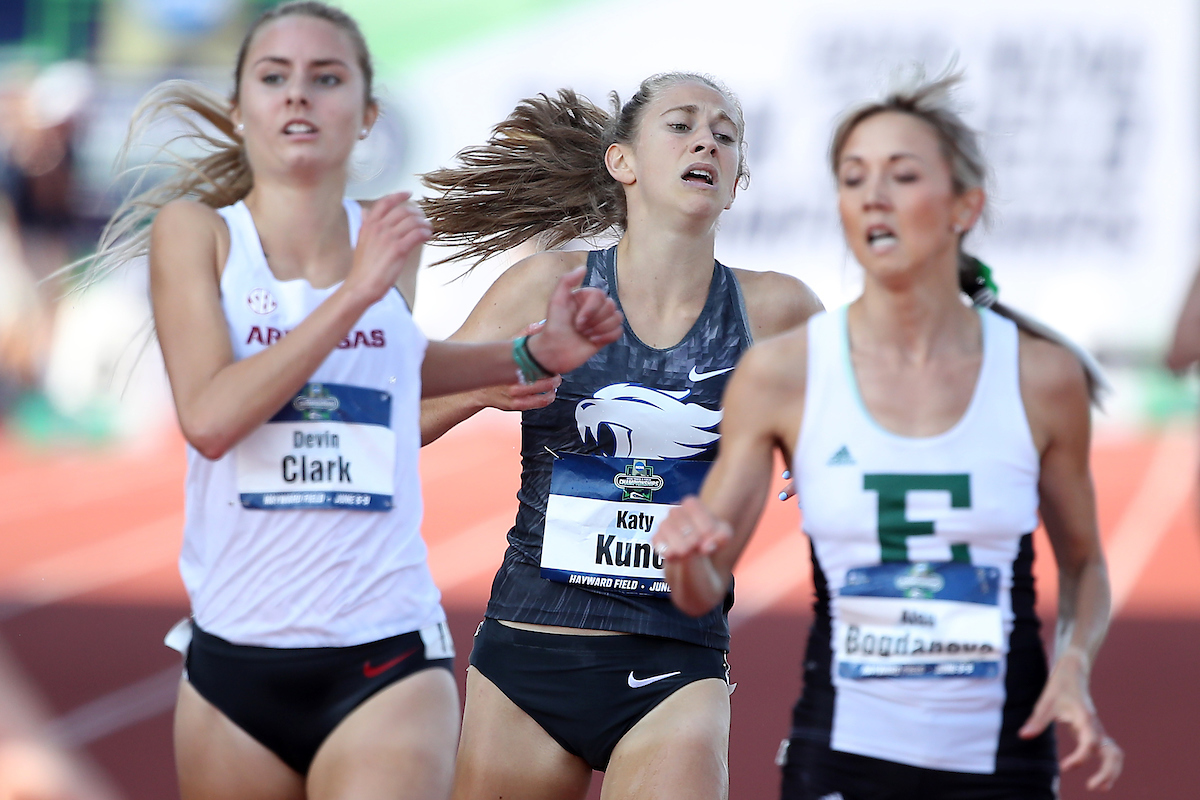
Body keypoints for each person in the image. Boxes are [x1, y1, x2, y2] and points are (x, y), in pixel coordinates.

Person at [81, 3, 622, 799]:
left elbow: (383, 374)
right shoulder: (197, 234)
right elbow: (212, 420)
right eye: (275, 77)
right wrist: (353, 293)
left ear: (367, 115)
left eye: (326, 78)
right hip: (235, 657)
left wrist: (523, 357)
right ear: (239, 109)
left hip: (384, 646)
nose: (299, 94)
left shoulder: (386, 235)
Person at [652, 69, 1124, 799]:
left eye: (902, 175)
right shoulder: (785, 373)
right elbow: (703, 586)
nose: (873, 195)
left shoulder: (1039, 377)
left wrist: (1075, 663)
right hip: (842, 755)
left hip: (1002, 758)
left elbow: (1086, 565)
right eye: (853, 178)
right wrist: (684, 559)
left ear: (965, 205)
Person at [418, 73, 822, 799]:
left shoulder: (777, 309)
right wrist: (485, 386)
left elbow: (871, 439)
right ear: (622, 162)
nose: (706, 142)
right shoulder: (548, 287)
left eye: (725, 135)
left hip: (676, 662)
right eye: (681, 125)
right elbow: (406, 419)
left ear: (735, 185)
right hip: (529, 648)